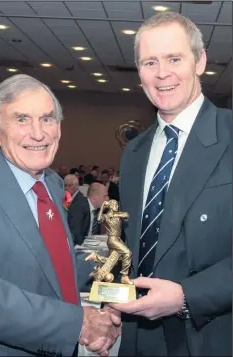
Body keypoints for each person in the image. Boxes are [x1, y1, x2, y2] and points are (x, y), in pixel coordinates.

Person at [0, 74, 121, 357]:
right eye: (21, 119)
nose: (38, 133)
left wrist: (114, 269)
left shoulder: (50, 183)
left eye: (47, 119)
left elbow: (51, 265)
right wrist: (78, 324)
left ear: (59, 128)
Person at [109, 11, 231, 357]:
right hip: (137, 337)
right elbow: (133, 245)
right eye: (150, 62)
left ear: (200, 62)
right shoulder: (134, 152)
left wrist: (186, 297)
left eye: (174, 58)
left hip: (212, 335)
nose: (162, 73)